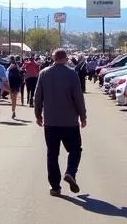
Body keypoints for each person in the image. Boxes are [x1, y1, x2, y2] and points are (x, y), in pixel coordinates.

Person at [34, 48, 87, 196]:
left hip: (50, 122)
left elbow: (38, 96)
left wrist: (38, 114)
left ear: (53, 58)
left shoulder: (44, 73)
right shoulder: (72, 74)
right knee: (75, 149)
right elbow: (78, 98)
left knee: (52, 154)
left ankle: (55, 187)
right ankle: (70, 171)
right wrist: (83, 116)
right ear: (66, 59)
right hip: (70, 122)